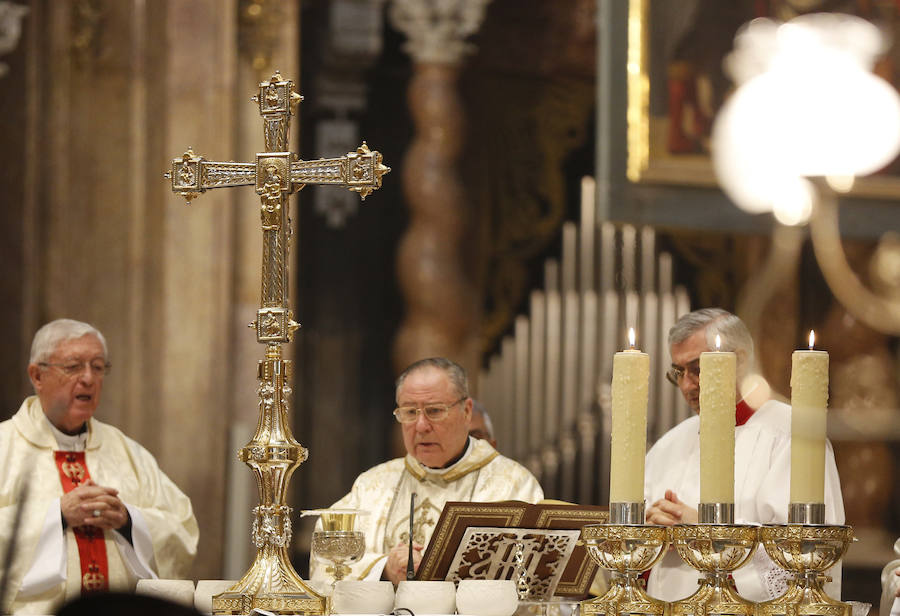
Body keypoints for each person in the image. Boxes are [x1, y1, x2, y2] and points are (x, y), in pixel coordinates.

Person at [644, 308, 844, 602]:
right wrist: (652, 537)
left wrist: (707, 530)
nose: (686, 385)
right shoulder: (667, 445)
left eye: (698, 369)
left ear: (740, 360)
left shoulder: (793, 435)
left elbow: (812, 554)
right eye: (679, 372)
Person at [0, 319, 199, 614]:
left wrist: (130, 521)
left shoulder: (127, 452)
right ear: (37, 375)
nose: (88, 379)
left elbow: (182, 530)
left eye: (97, 366)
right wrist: (56, 515)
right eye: (73, 367)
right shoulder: (6, 447)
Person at [309, 357, 543, 586]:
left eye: (434, 411)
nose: (421, 426)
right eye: (410, 412)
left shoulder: (513, 485)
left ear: (467, 411)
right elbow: (325, 563)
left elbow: (531, 580)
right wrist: (384, 569)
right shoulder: (372, 486)